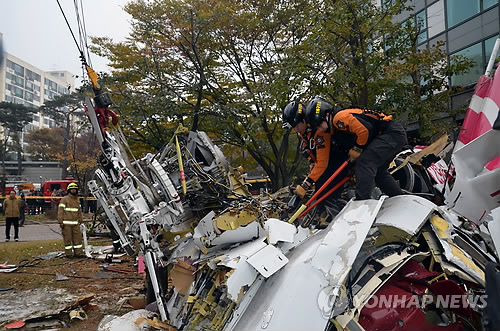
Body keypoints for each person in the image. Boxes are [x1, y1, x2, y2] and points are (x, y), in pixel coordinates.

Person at [305, 103, 408, 200]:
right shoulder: (338, 123)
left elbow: (365, 130)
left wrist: (357, 148)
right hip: (392, 135)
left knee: (365, 162)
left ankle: (362, 201)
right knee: (379, 173)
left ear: (327, 115)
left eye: (319, 124)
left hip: (391, 133)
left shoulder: (338, 119)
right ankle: (399, 198)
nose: (320, 129)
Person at [282, 99, 349, 204]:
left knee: (325, 195)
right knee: (319, 191)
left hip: (338, 162)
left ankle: (334, 213)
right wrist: (311, 162)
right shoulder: (304, 133)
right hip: (326, 166)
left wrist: (306, 184)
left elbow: (323, 162)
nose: (296, 130)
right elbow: (308, 150)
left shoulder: (319, 130)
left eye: (296, 126)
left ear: (303, 120)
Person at [58, 183, 83, 257]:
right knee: (68, 239)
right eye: (72, 189)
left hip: (75, 224)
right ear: (69, 190)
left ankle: (78, 253)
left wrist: (80, 220)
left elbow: (79, 211)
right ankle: (68, 254)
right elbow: (60, 211)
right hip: (66, 224)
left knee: (77, 239)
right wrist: (60, 222)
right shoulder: (64, 199)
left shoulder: (77, 200)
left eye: (75, 189)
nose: (73, 190)